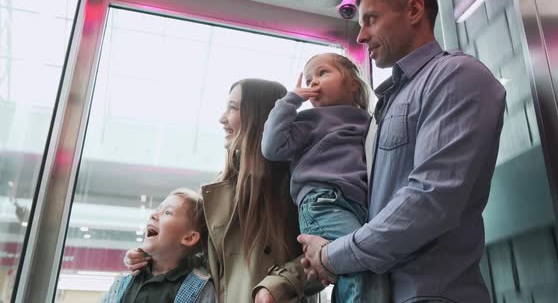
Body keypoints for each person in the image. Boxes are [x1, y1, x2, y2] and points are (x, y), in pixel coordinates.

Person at [298, 0, 507, 302]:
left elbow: (431, 199)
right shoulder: (387, 104)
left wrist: (333, 256)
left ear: (413, 11)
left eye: (371, 20)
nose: (362, 36)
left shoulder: (455, 76)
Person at [125, 79, 320, 303]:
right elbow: (201, 260)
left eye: (233, 108)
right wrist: (150, 259)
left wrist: (278, 286)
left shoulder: (297, 181)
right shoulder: (217, 190)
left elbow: (324, 253)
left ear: (259, 116)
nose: (222, 118)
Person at [261, 53, 377, 302]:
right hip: (322, 202)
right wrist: (290, 101)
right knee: (360, 261)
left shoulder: (370, 121)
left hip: (361, 207)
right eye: (309, 77)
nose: (313, 82)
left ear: (353, 84)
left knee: (357, 267)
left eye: (323, 73)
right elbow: (272, 147)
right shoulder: (308, 120)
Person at [101, 188, 216, 303]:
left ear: (189, 238)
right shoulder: (123, 282)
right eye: (157, 210)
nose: (153, 215)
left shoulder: (200, 289)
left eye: (168, 212)